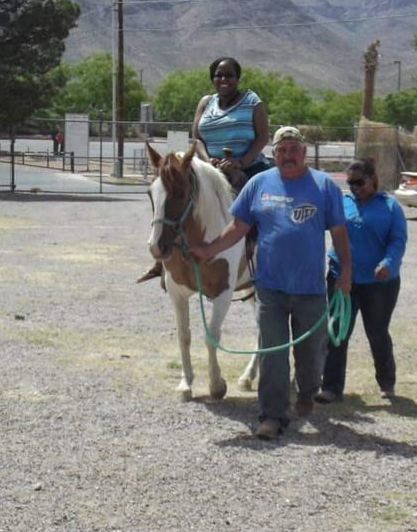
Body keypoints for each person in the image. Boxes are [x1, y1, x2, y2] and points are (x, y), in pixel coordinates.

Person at [190, 126, 351, 440]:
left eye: (293, 149)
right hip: (270, 287)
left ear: (303, 152)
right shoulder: (258, 184)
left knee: (309, 355)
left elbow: (340, 234)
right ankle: (271, 416)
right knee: (272, 354)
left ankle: (306, 391)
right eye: (281, 150)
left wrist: (346, 273)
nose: (288, 155)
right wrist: (208, 251)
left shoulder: (323, 186)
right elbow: (237, 226)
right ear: (273, 154)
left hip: (310, 289)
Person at [137, 56, 270, 283]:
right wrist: (208, 161)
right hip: (209, 165)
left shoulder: (252, 101)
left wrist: (240, 162)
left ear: (237, 78)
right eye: (218, 75)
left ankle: (261, 261)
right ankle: (163, 259)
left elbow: (262, 138)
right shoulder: (206, 102)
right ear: (212, 79)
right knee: (172, 195)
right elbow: (196, 139)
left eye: (229, 75)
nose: (223, 79)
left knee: (260, 210)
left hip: (247, 166)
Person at [315, 158, 407, 404]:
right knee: (337, 332)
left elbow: (397, 240)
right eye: (350, 182)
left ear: (373, 178)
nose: (355, 187)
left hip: (379, 284)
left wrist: (388, 263)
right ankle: (331, 387)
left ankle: (386, 382)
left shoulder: (390, 206)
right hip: (341, 278)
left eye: (359, 182)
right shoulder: (341, 203)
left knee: (376, 333)